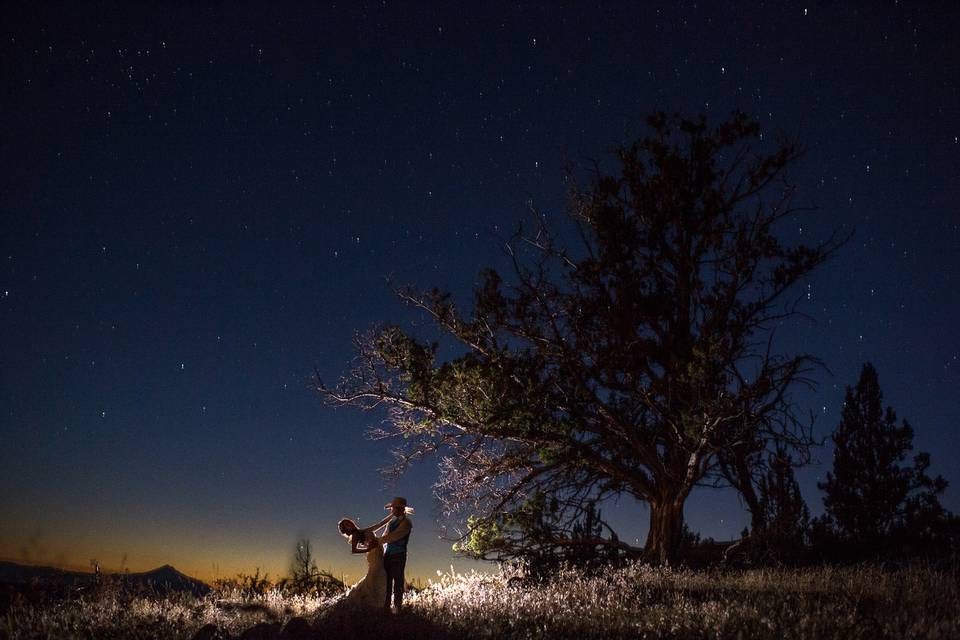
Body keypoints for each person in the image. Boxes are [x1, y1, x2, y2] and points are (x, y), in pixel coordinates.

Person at [333, 517, 389, 610]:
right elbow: (353, 550)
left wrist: (392, 515)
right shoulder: (355, 534)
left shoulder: (362, 531)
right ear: (346, 530)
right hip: (374, 555)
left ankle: (377, 603)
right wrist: (368, 549)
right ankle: (372, 603)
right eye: (346, 525)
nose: (349, 524)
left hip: (379, 554)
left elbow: (380, 524)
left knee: (378, 575)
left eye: (348, 522)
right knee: (376, 575)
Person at [374, 497, 413, 613]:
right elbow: (385, 536)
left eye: (393, 508)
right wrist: (376, 542)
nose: (392, 510)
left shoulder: (406, 523)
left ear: (400, 509)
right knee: (387, 582)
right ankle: (386, 607)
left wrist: (377, 541)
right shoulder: (391, 523)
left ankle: (397, 608)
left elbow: (394, 536)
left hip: (399, 555)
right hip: (388, 555)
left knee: (398, 582)